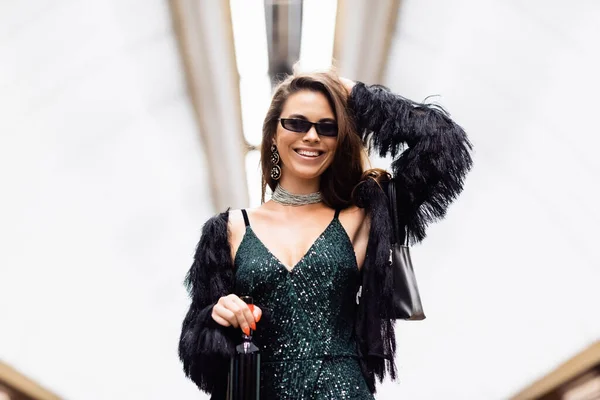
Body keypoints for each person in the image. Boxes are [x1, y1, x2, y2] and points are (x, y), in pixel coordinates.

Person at [178, 71, 473, 399]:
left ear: (340, 139)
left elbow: (444, 142)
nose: (312, 136)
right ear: (273, 134)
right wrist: (216, 317)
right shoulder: (229, 229)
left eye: (327, 127)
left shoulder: (362, 217)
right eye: (297, 123)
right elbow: (195, 352)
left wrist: (359, 95)